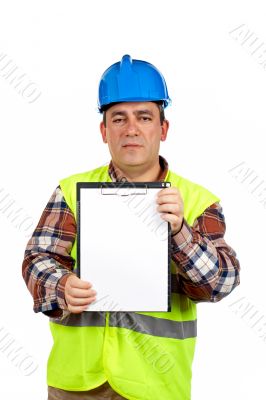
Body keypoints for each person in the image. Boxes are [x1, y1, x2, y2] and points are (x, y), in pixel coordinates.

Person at [22, 54, 240, 400]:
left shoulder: (198, 200)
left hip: (156, 385)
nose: (132, 129)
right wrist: (60, 285)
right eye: (119, 118)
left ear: (163, 129)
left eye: (144, 117)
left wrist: (181, 231)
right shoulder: (70, 190)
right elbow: (38, 258)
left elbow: (220, 284)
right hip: (77, 383)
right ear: (104, 131)